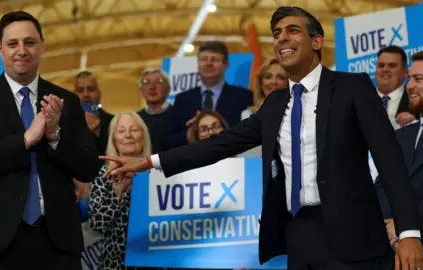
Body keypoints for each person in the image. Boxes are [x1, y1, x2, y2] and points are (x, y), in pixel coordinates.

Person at [99, 6, 423, 269]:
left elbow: (390, 161)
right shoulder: (275, 104)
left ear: (317, 41)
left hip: (354, 236)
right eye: (277, 33)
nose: (282, 37)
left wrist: (409, 233)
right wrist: (148, 161)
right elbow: (219, 145)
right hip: (297, 235)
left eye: (292, 30)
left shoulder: (353, 87)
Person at [0, 11, 100, 269]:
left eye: (29, 42)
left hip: (57, 243)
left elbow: (88, 166)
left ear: (42, 45)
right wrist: (25, 139)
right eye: (12, 44)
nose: (22, 50)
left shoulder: (66, 101)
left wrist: (54, 136)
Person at [88, 112, 152, 270]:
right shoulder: (104, 174)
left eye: (134, 130)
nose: (128, 135)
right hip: (116, 261)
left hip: (153, 260)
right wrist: (119, 194)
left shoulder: (158, 172)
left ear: (144, 136)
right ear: (113, 139)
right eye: (121, 131)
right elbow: (98, 222)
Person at [166, 41, 253, 149]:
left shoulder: (244, 96)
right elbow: (167, 141)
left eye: (214, 60)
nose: (208, 63)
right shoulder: (182, 99)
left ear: (226, 65)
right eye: (204, 59)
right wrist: (189, 134)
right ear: (198, 63)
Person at [376, 51, 423, 250]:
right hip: (392, 247)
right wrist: (389, 223)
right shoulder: (401, 135)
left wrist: (406, 226)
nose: (409, 85)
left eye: (418, 79)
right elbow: (382, 185)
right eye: (410, 79)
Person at [375, 45, 415, 129]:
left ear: (405, 72)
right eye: (381, 65)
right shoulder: (360, 100)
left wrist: (416, 122)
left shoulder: (418, 101)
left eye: (392, 66)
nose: (385, 69)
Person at [74, 71, 114, 154]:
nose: (86, 94)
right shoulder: (63, 123)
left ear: (99, 93)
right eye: (80, 90)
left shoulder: (114, 122)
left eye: (91, 89)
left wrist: (97, 132)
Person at [137, 68, 173, 153]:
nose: (152, 87)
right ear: (141, 91)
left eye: (159, 82)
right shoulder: (136, 120)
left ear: (168, 89)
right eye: (146, 83)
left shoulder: (180, 116)